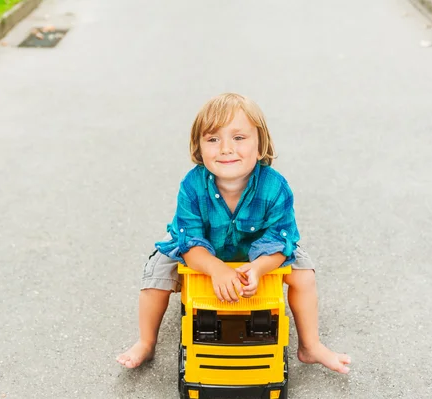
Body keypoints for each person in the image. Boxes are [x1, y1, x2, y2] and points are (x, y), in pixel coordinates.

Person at [117, 93, 351, 374]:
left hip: (261, 250)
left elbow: (281, 238)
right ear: (199, 147)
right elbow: (189, 240)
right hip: (203, 251)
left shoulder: (276, 187)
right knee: (156, 273)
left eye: (239, 138)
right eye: (213, 139)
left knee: (304, 273)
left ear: (260, 144)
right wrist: (216, 269)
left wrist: (259, 268)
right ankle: (146, 341)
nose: (226, 149)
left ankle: (310, 345)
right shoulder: (192, 185)